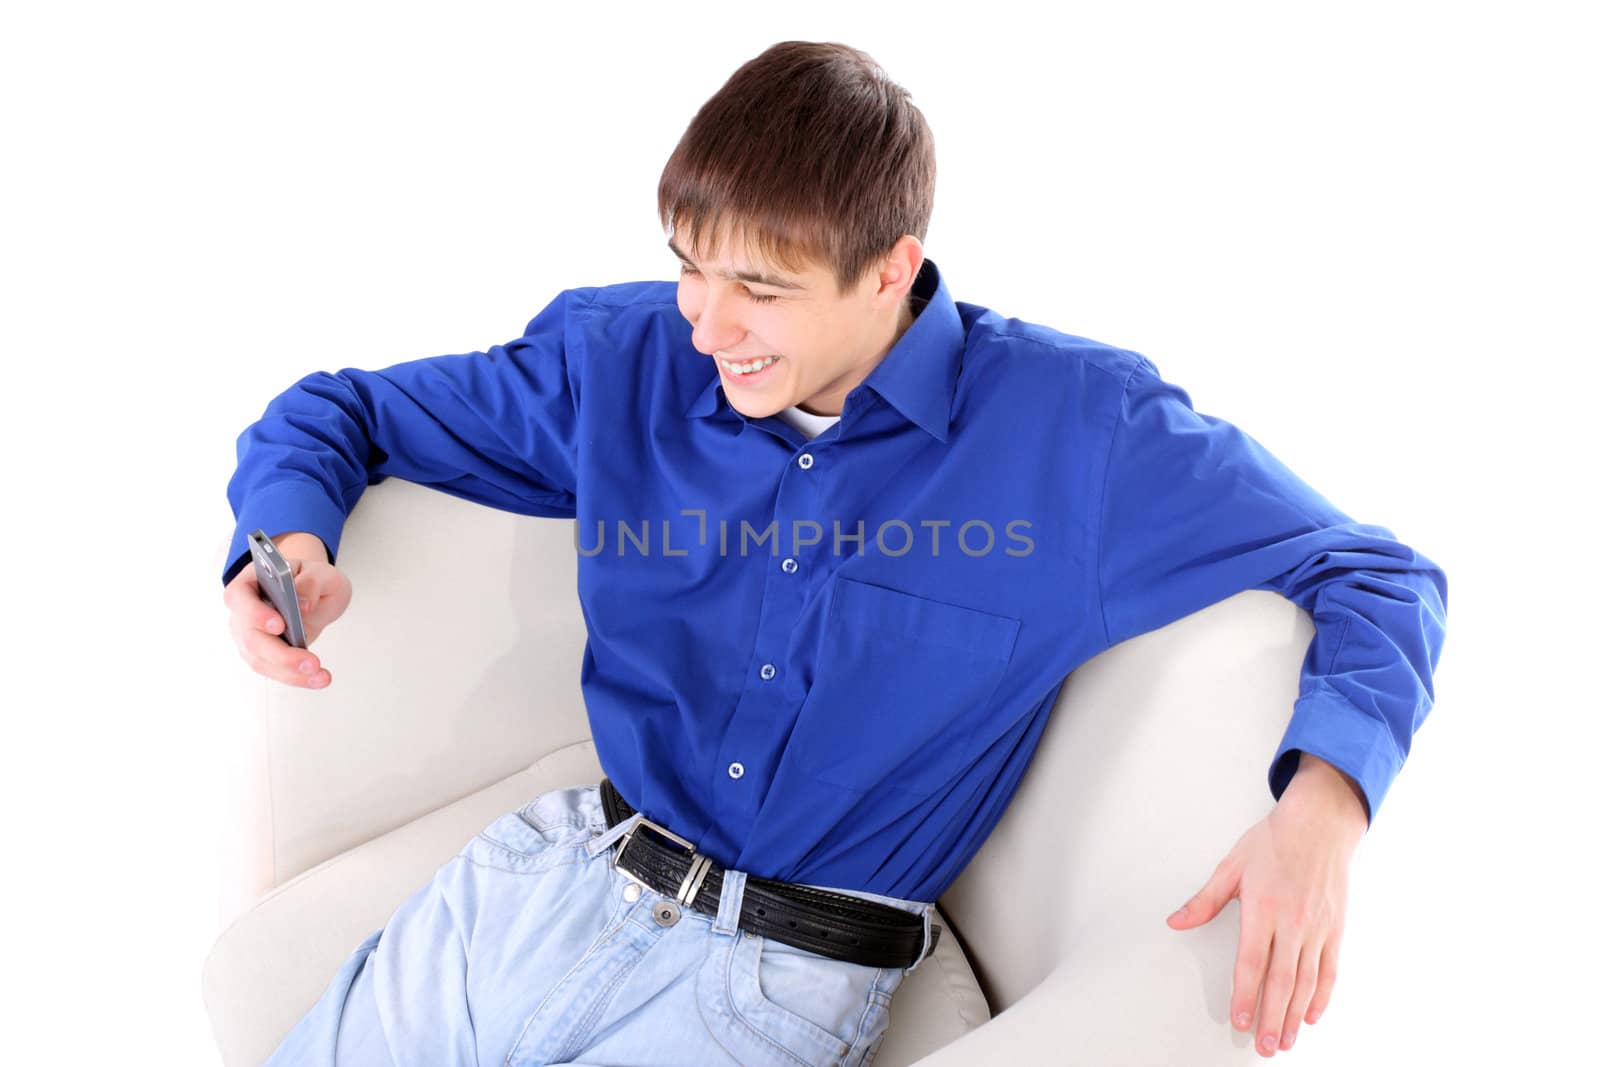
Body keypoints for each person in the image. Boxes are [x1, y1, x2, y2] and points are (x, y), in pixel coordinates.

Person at [219, 39, 1448, 1066]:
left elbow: (1374, 573)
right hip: (543, 882)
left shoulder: (1079, 434)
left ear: (889, 273)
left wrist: (1321, 810)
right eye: (688, 265)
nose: (706, 321)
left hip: (769, 983)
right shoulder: (628, 358)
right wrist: (287, 538)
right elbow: (345, 410)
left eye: (759, 285)